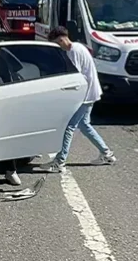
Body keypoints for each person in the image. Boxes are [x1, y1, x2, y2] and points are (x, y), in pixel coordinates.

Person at [43, 26, 116, 172]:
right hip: (90, 92)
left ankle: (60, 161)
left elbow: (74, 77)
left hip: (85, 94)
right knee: (84, 125)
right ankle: (106, 153)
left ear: (62, 39)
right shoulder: (78, 47)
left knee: (69, 127)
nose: (59, 47)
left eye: (58, 43)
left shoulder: (73, 51)